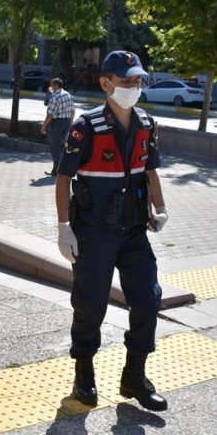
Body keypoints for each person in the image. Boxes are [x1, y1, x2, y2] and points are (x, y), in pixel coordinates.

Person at [54, 50, 170, 413]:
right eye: (126, 81)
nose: (134, 87)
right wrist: (63, 228)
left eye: (138, 80)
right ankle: (83, 372)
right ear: (106, 84)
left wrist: (160, 207)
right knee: (90, 304)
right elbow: (63, 178)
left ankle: (134, 375)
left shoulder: (147, 124)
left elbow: (150, 170)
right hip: (93, 231)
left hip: (134, 230)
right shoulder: (85, 126)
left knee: (148, 299)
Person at [40, 77, 75, 176]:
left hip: (56, 124)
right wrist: (70, 123)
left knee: (55, 147)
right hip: (66, 122)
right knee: (61, 147)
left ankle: (58, 170)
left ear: (56, 86)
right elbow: (72, 109)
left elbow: (50, 114)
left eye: (51, 85)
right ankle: (61, 169)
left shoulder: (55, 97)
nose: (50, 87)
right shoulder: (68, 94)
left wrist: (44, 125)